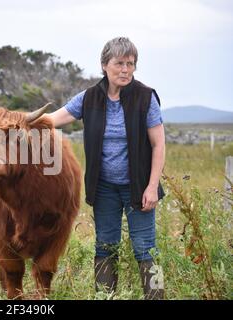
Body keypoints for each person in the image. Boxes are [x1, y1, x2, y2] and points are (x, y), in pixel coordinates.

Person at [47, 37, 165, 299]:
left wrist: (152, 187)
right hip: (104, 188)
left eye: (130, 64)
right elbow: (52, 119)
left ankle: (156, 297)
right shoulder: (89, 97)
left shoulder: (146, 98)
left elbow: (159, 145)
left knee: (147, 249)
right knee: (105, 246)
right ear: (104, 65)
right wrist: (12, 121)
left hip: (139, 187)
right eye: (119, 63)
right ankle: (105, 297)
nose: (125, 70)